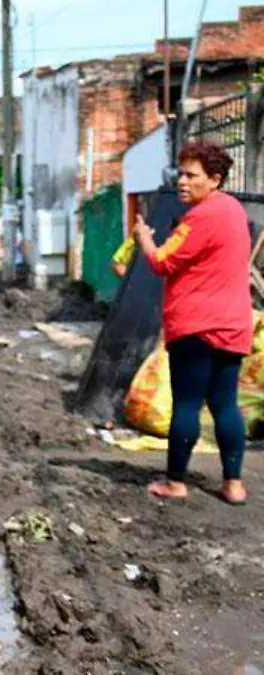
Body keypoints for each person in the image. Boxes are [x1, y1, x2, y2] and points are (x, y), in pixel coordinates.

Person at [133, 140, 252, 506]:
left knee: (186, 403)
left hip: (196, 326)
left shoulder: (201, 216)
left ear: (214, 179)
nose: (182, 182)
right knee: (225, 405)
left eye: (191, 175)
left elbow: (162, 262)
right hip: (233, 325)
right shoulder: (233, 209)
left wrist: (144, 240)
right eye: (180, 174)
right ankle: (233, 484)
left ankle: (176, 482)